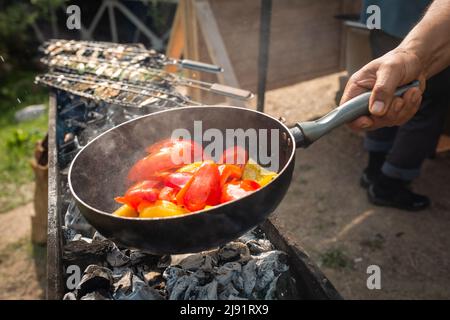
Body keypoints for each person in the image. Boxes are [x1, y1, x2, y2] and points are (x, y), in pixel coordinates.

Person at [340, 0, 450, 211]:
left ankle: (373, 170)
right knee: (420, 105)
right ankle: (390, 184)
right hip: (422, 18)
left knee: (381, 89)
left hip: (382, 13)